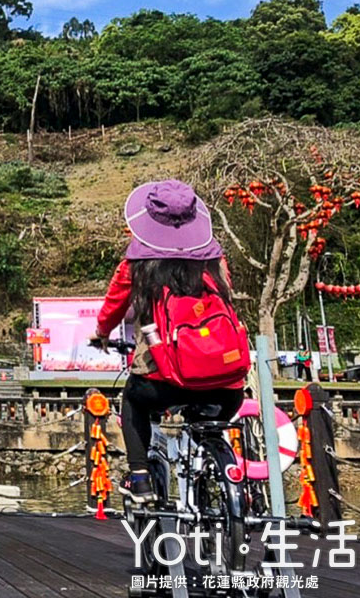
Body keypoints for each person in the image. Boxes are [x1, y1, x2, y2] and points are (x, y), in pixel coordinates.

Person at [91, 180, 245, 504]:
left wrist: (102, 333)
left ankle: (141, 479)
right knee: (210, 422)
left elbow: (113, 308)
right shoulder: (216, 261)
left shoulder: (137, 265)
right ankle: (219, 474)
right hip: (227, 383)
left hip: (166, 378)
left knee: (132, 400)